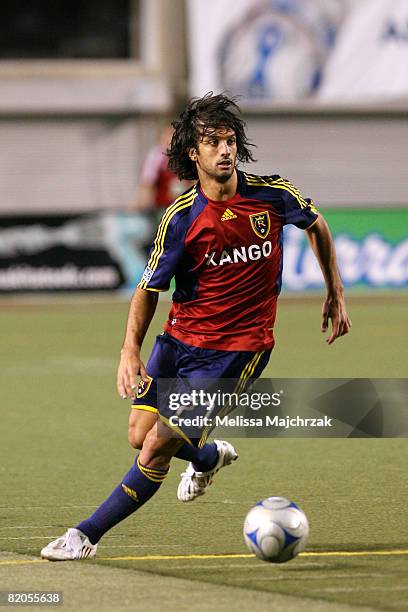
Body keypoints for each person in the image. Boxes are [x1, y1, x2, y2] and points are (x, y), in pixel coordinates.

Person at [41, 93, 351, 561]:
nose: (224, 150)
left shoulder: (271, 195)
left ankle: (84, 537)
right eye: (213, 142)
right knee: (138, 433)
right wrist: (129, 350)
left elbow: (317, 225)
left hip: (237, 351)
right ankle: (207, 457)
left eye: (230, 141)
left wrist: (336, 290)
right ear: (193, 152)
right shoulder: (182, 218)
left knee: (156, 448)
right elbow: (149, 289)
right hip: (181, 341)